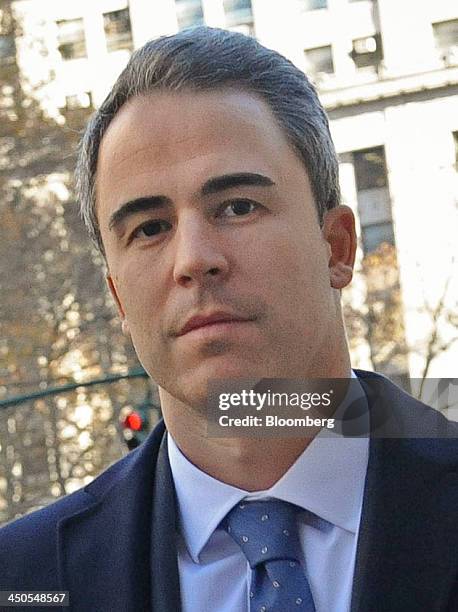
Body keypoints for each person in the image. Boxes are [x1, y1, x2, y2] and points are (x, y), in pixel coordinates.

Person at [1, 26, 457, 612]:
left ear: (338, 246)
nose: (193, 259)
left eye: (238, 207)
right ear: (118, 298)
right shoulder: (26, 581)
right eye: (149, 228)